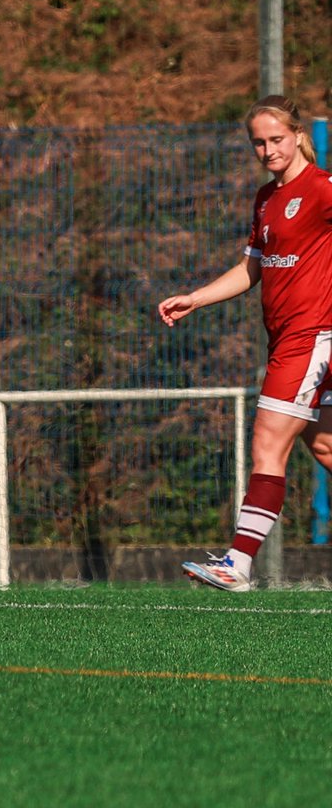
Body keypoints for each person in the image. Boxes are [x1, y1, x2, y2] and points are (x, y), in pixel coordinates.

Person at [158, 95, 332, 591]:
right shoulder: (266, 198)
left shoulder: (320, 189)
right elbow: (250, 268)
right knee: (324, 445)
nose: (267, 149)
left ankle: (238, 562)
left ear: (298, 135)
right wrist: (196, 297)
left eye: (276, 139)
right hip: (288, 340)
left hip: (311, 337)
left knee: (267, 445)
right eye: (258, 142)